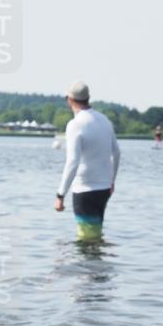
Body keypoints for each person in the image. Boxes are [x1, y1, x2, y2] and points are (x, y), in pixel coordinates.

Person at [54, 81, 120, 241]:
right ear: (87, 98)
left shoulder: (75, 124)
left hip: (84, 189)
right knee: (96, 234)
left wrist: (60, 194)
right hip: (104, 188)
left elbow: (73, 162)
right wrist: (111, 181)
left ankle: (90, 257)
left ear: (70, 100)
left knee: (86, 239)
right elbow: (117, 153)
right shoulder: (104, 120)